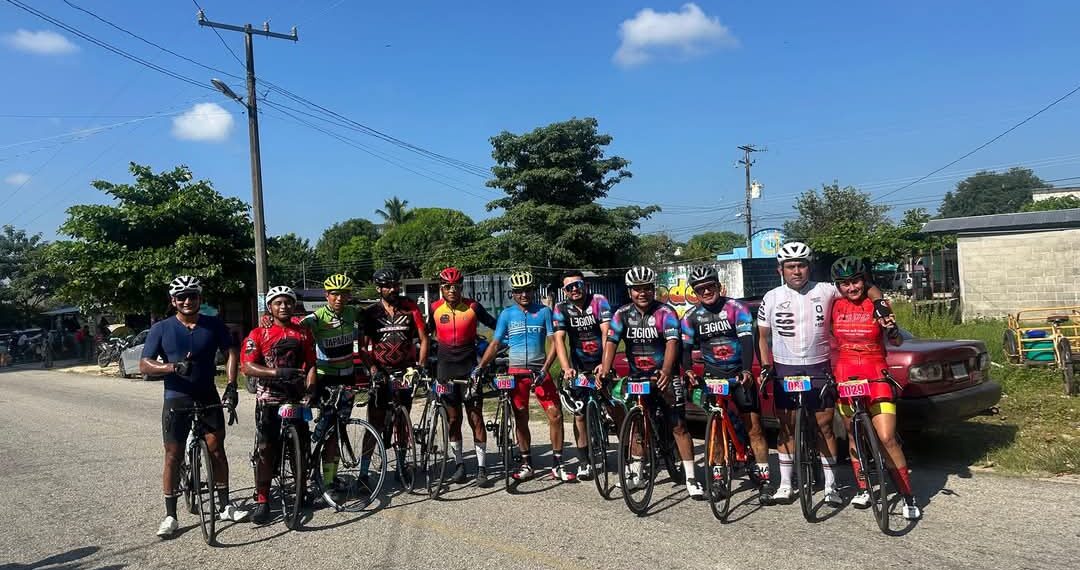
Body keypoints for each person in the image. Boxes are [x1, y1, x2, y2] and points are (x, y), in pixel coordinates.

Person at [756, 242, 884, 506]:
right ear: (780, 269)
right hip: (785, 367)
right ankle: (785, 484)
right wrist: (766, 366)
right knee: (787, 428)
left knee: (824, 427)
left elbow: (864, 286)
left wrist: (880, 303)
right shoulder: (771, 296)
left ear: (809, 267)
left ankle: (830, 486)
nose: (797, 271)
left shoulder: (826, 290)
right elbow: (762, 337)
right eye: (791, 266)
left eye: (801, 265)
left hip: (818, 365)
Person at [140, 276, 247, 538]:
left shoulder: (213, 324)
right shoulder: (161, 328)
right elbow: (144, 364)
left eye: (193, 296)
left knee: (216, 449)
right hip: (177, 396)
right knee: (173, 455)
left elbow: (231, 352)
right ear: (173, 300)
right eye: (182, 297)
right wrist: (172, 367)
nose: (187, 301)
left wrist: (232, 385)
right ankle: (170, 515)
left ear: (200, 299)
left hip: (207, 394)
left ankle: (225, 506)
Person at [598, 266, 703, 499]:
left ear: (653, 290)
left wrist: (666, 370)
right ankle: (637, 473)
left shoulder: (666, 312)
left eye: (647, 288)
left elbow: (672, 342)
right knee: (637, 423)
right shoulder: (621, 314)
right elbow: (611, 342)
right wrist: (605, 369)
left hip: (664, 375)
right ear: (630, 292)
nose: (642, 293)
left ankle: (691, 478)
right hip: (638, 376)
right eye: (637, 289)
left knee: (678, 426)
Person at [829, 257, 921, 520]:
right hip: (846, 373)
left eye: (856, 281)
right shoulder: (833, 305)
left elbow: (898, 341)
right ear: (838, 286)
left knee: (887, 437)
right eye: (845, 283)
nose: (851, 288)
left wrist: (892, 331)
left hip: (876, 373)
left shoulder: (877, 303)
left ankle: (907, 495)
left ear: (864, 280)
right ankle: (863, 487)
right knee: (853, 434)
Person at [681, 265, 771, 503]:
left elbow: (747, 340)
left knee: (754, 427)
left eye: (710, 286)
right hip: (713, 375)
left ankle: (765, 480)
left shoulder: (736, 308)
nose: (706, 291)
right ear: (695, 293)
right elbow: (685, 349)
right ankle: (719, 480)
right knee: (716, 428)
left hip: (738, 372)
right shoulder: (691, 317)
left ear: (719, 286)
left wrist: (746, 370)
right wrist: (688, 370)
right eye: (700, 289)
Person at [478, 270, 575, 482]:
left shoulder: (544, 312)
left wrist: (545, 369)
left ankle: (558, 464)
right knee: (521, 417)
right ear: (513, 293)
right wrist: (481, 366)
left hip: (539, 371)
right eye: (519, 291)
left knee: (555, 415)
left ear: (533, 291)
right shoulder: (507, 314)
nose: (524, 295)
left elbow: (555, 343)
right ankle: (526, 463)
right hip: (516, 373)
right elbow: (495, 343)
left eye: (528, 290)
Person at [240, 286, 318, 524]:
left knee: (301, 447)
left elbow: (311, 364)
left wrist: (311, 389)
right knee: (266, 449)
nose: (284, 306)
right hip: (269, 398)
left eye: (288, 302)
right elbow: (247, 366)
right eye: (278, 303)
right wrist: (275, 372)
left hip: (295, 396)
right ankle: (262, 499)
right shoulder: (259, 333)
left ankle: (301, 489)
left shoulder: (303, 332)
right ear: (270, 307)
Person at [427, 267, 498, 486]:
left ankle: (482, 468)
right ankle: (459, 464)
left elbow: (496, 326)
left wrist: (496, 346)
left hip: (469, 369)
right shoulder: (434, 308)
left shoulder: (473, 307)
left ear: (461, 287)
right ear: (441, 288)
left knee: (475, 418)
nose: (452, 290)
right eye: (447, 287)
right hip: (446, 370)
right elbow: (424, 333)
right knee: (453, 419)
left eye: (456, 287)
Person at [299, 274, 363, 497]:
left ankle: (329, 479)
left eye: (344, 294)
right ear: (326, 295)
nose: (339, 298)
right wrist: (268, 319)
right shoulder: (317, 317)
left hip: (348, 377)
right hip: (325, 378)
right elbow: (296, 324)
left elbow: (375, 314)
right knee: (328, 427)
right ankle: (310, 456)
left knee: (338, 430)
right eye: (334, 294)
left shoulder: (352, 312)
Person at [363, 267, 430, 479]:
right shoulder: (370, 313)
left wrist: (420, 366)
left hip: (405, 370)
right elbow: (363, 347)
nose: (393, 289)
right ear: (378, 288)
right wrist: (373, 370)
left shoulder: (410, 307)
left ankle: (401, 467)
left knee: (403, 420)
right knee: (375, 422)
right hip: (381, 371)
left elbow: (424, 338)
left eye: (395, 285)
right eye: (387, 286)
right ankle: (363, 473)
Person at [552, 270, 613, 480]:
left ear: (585, 285)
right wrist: (566, 367)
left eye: (577, 285)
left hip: (601, 360)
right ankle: (584, 461)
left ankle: (629, 455)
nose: (574, 290)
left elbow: (607, 333)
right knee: (579, 414)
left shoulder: (598, 301)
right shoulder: (561, 308)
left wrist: (605, 363)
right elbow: (559, 340)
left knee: (614, 405)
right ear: (564, 291)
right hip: (579, 367)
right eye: (569, 287)